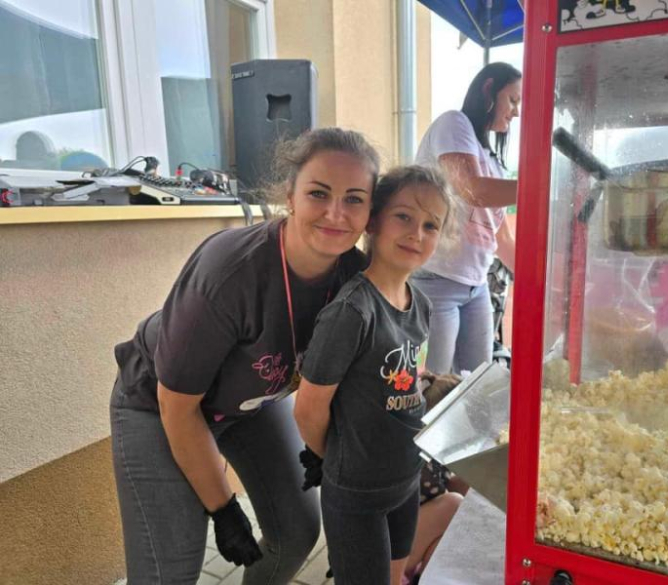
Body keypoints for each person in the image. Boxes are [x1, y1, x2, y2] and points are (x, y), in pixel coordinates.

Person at [109, 127, 380, 585]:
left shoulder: (355, 276)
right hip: (158, 405)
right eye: (319, 193)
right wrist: (224, 508)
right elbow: (176, 405)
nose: (336, 213)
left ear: (371, 211)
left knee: (296, 531)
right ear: (290, 196)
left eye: (355, 198)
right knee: (171, 569)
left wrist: (326, 445)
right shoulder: (230, 271)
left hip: (252, 403)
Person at [294, 166, 456, 585]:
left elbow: (406, 380)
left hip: (404, 482)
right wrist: (339, 460)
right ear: (374, 220)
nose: (416, 233)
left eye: (430, 225)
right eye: (403, 217)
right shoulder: (352, 312)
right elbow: (308, 410)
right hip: (357, 494)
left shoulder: (420, 304)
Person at [412, 62, 522, 375]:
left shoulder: (492, 161)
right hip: (436, 279)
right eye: (512, 100)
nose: (516, 112)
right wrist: (542, 188)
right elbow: (473, 189)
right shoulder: (453, 123)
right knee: (434, 385)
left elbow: (500, 238)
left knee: (477, 382)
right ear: (488, 89)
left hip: (476, 286)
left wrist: (545, 284)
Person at [403, 372, 469, 585]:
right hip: (390, 557)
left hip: (409, 540)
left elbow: (456, 483)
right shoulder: (421, 461)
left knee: (458, 504)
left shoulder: (431, 450)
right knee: (454, 504)